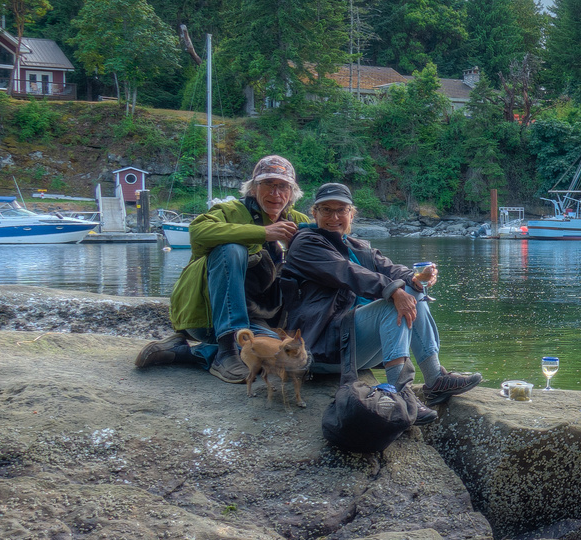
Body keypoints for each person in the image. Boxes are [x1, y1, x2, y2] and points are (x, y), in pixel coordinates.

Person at [279, 182, 482, 416]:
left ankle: (435, 378)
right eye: (326, 210)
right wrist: (394, 291)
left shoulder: (357, 246)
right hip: (322, 346)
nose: (334, 217)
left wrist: (417, 278)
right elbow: (347, 272)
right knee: (393, 302)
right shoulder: (306, 243)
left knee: (413, 292)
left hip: (353, 345)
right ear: (314, 214)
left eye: (341, 210)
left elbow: (390, 269)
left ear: (351, 214)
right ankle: (401, 395)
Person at [138, 155, 310, 382]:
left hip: (256, 319)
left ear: (292, 192)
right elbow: (198, 232)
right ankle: (227, 349)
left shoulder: (296, 220)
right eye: (267, 184)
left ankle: (185, 352)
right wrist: (263, 233)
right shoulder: (229, 210)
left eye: (282, 187)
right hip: (210, 318)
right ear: (253, 189)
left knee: (282, 360)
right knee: (231, 248)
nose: (275, 193)